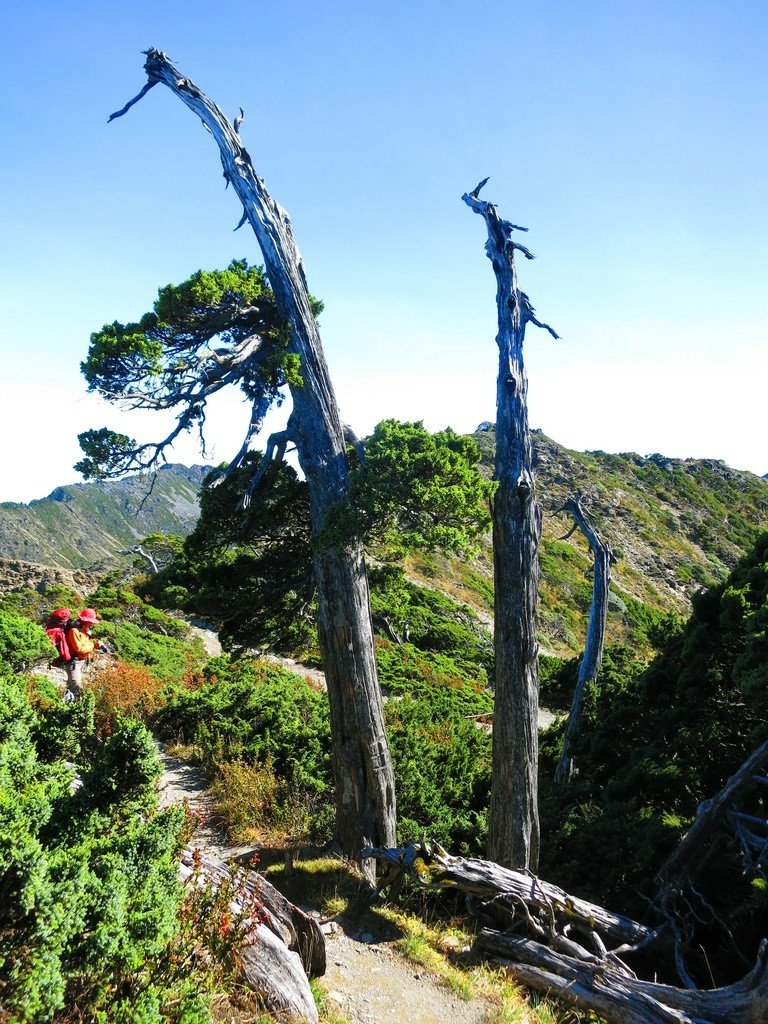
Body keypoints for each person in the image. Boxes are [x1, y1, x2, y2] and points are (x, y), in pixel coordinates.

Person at [64, 608, 107, 700]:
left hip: (80, 662)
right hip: (73, 663)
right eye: (90, 621)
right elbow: (79, 649)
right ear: (84, 620)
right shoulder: (74, 631)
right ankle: (75, 710)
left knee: (71, 687)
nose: (92, 623)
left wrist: (94, 643)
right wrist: (94, 646)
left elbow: (85, 643)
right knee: (77, 689)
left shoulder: (83, 629)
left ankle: (66, 707)